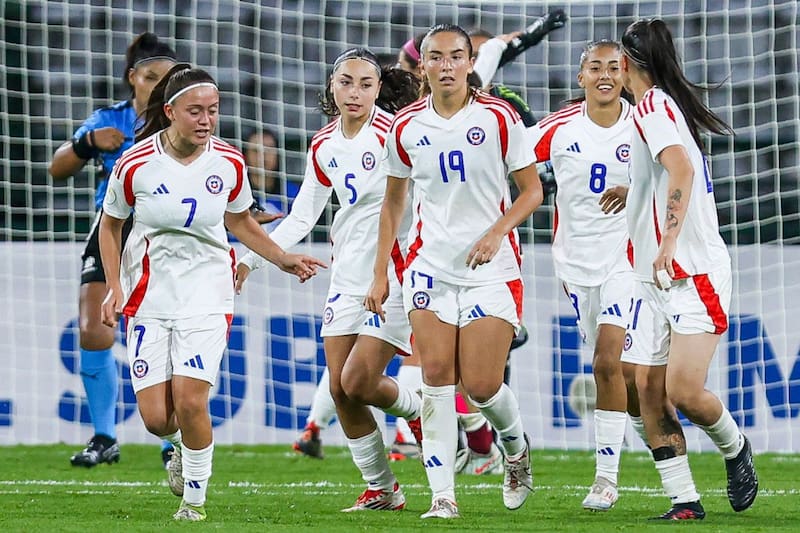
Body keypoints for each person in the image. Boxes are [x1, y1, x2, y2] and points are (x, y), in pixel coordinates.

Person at [97, 64, 325, 521]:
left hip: (208, 292)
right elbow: (111, 225)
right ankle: (180, 446)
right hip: (149, 296)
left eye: (213, 111)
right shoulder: (135, 164)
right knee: (156, 419)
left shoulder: (229, 162)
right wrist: (114, 286)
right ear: (170, 112)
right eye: (195, 111)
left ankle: (193, 505)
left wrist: (281, 258)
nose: (206, 120)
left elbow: (240, 221)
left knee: (190, 400)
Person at [366, 24, 544, 519]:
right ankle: (442, 496)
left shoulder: (500, 118)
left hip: (492, 268)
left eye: (456, 56)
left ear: (470, 63)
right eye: (436, 57)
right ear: (422, 66)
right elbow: (393, 203)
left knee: (482, 386)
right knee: (436, 381)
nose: (446, 65)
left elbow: (532, 191)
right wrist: (381, 273)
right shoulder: (405, 126)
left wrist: (496, 232)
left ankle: (515, 448)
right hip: (429, 268)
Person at [236, 48, 424, 512]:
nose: (354, 92)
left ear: (379, 89)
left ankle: (425, 413)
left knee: (359, 380)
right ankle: (382, 489)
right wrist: (252, 259)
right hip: (346, 274)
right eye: (346, 82)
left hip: (394, 271)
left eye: (365, 84)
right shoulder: (323, 144)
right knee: (340, 389)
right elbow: (303, 215)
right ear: (332, 87)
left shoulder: (396, 134)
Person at [620, 18, 758, 519]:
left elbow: (681, 167)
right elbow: (667, 173)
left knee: (684, 391)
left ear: (626, 63)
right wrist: (634, 191)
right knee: (645, 387)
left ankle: (735, 447)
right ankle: (684, 500)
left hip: (690, 272)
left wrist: (668, 239)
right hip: (652, 277)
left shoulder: (653, 106)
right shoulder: (656, 106)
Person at [531, 39, 654, 511]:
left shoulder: (644, 124)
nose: (605, 75)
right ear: (581, 77)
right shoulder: (559, 128)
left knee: (606, 363)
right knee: (623, 376)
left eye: (614, 67)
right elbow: (509, 156)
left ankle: (605, 480)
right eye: (595, 67)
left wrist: (637, 188)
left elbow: (678, 176)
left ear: (626, 76)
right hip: (575, 265)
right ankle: (656, 439)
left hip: (627, 259)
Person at [48, 32, 178, 468]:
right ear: (132, 78)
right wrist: (86, 144)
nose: (159, 86)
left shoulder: (183, 123)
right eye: (151, 77)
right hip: (112, 229)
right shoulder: (108, 121)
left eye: (168, 78)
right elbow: (56, 167)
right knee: (93, 330)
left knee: (166, 331)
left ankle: (171, 440)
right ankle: (104, 436)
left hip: (164, 234)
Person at [243, 128, 298, 229]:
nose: (262, 156)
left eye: (268, 149)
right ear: (246, 154)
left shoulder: (292, 193)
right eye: (256, 150)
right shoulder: (236, 192)